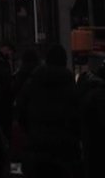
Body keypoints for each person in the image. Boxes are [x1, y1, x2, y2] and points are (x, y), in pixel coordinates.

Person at [15, 43, 81, 178]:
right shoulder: (70, 85)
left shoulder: (33, 81)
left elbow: (20, 112)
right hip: (65, 151)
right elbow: (78, 117)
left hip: (36, 149)